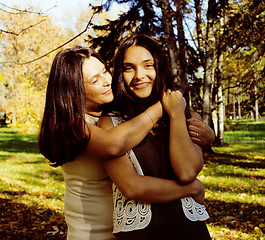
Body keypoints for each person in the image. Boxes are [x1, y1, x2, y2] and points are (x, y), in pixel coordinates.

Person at [38, 46, 213, 240]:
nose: (107, 81)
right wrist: (162, 107)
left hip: (128, 232)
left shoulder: (112, 116)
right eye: (95, 80)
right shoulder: (73, 126)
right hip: (93, 234)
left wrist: (205, 135)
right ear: (73, 90)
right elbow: (113, 145)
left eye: (105, 71)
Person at [99, 33, 213, 239]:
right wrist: (191, 189)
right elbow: (130, 187)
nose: (139, 75)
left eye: (147, 65)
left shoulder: (187, 116)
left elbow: (187, 172)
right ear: (120, 73)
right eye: (128, 68)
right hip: (141, 233)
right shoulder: (110, 122)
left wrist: (176, 114)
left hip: (190, 229)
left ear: (160, 67)